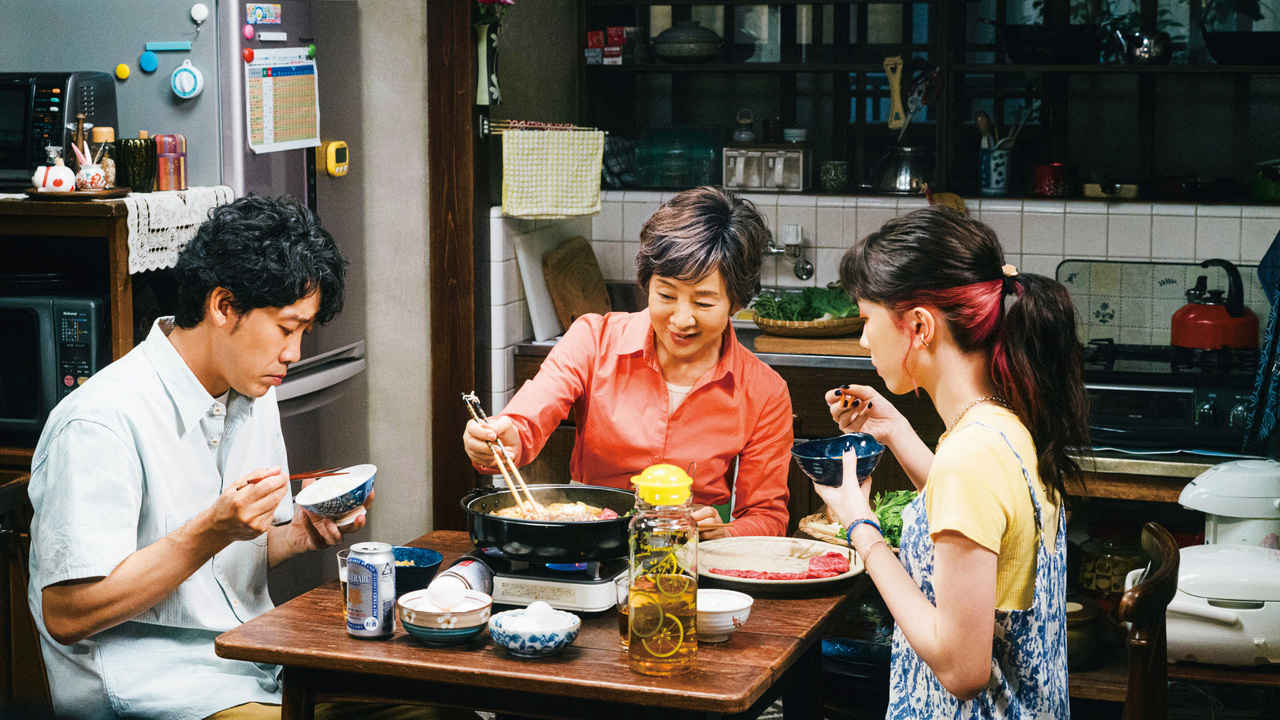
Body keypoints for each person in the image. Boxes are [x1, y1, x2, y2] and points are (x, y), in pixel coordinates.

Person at [25, 196, 375, 720]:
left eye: (304, 332)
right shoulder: (101, 421)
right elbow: (67, 614)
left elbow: (225, 565)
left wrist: (295, 534)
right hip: (158, 690)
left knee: (440, 706)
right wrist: (209, 530)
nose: (294, 354)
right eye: (286, 328)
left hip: (254, 663)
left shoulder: (251, 390)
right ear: (223, 306)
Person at [816, 206, 1089, 717]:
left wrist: (861, 527)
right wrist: (893, 427)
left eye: (868, 319)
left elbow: (962, 670)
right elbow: (975, 520)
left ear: (918, 325)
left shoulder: (970, 454)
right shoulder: (1002, 425)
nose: (863, 339)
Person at [463, 187, 794, 537]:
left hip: (688, 556)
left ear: (736, 303)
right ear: (646, 284)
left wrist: (726, 533)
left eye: (703, 303)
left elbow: (767, 515)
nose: (681, 319)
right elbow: (528, 417)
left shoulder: (764, 391)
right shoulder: (593, 339)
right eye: (666, 295)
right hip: (588, 542)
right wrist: (502, 439)